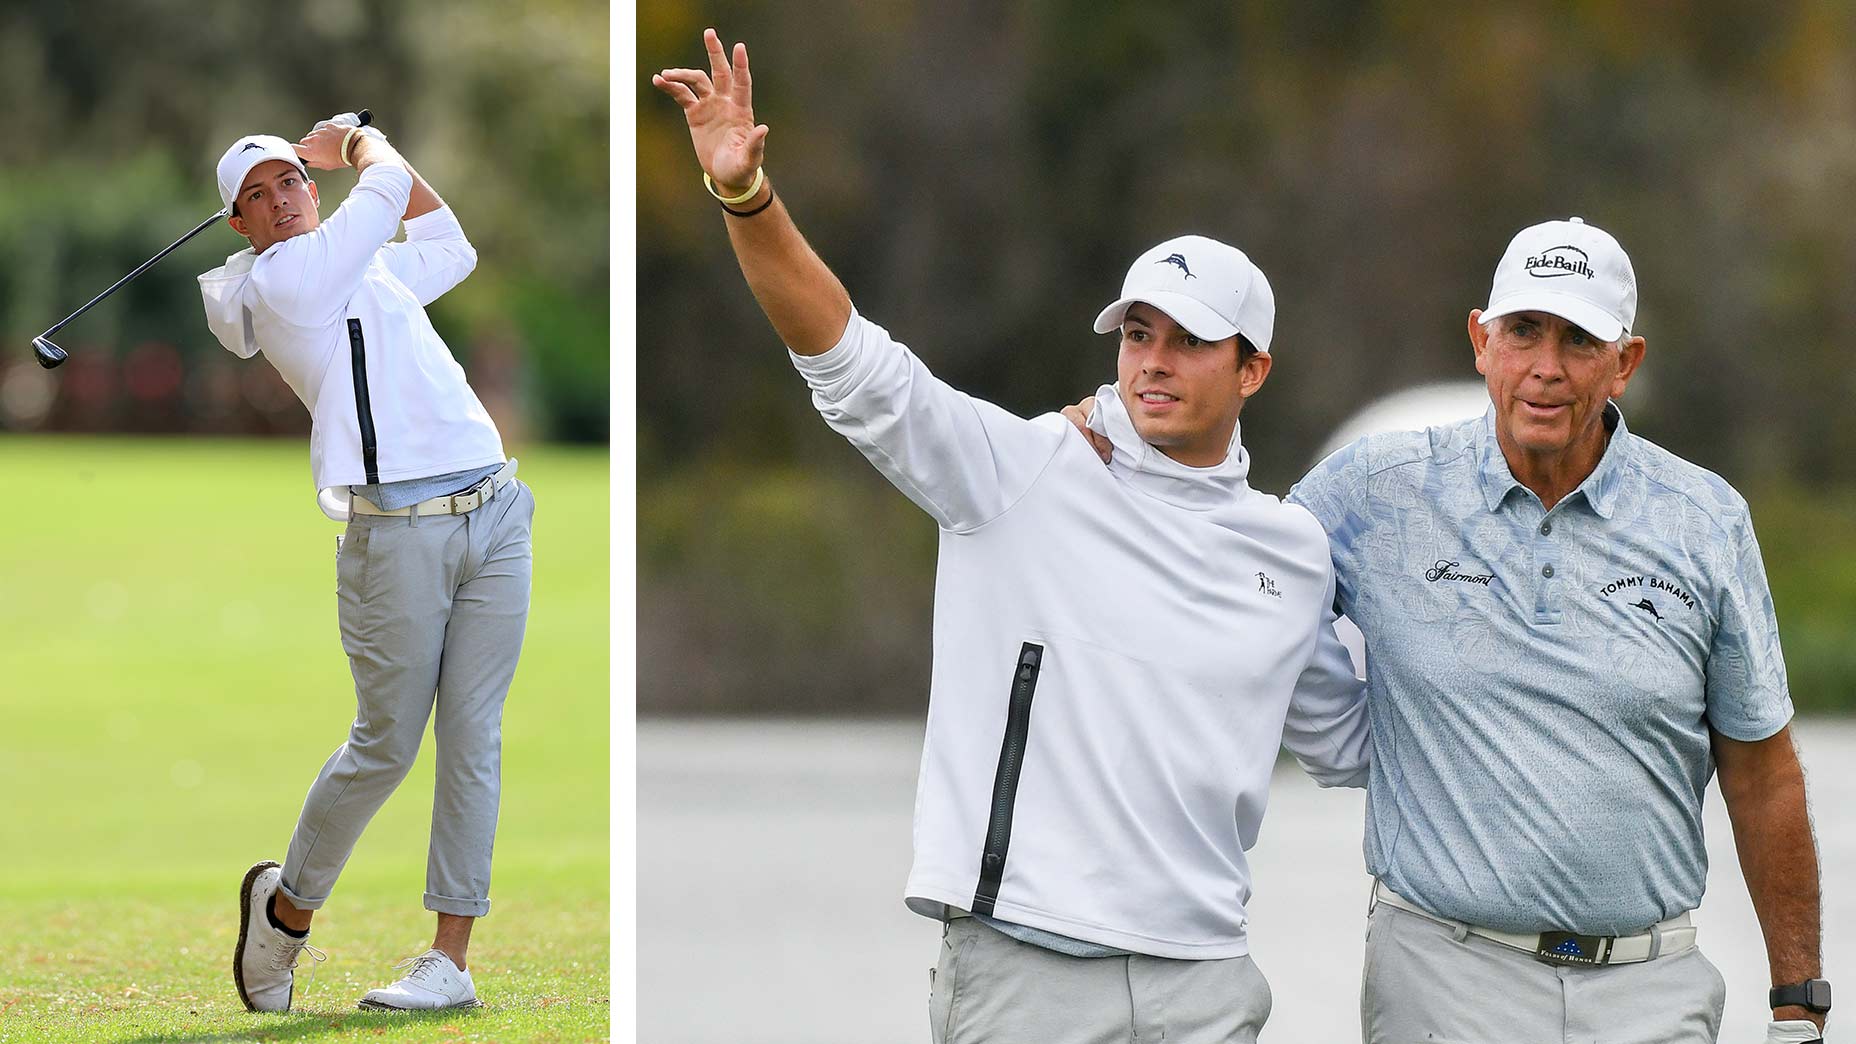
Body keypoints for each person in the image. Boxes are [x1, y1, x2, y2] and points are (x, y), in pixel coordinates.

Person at [654, 28, 1370, 1044]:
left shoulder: (1289, 552)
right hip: (1027, 970)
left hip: (1205, 980)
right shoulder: (1025, 469)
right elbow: (852, 365)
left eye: (1187, 341)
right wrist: (746, 199)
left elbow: (1356, 744)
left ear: (1251, 370)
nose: (1152, 362)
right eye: (1135, 334)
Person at [1065, 217, 1827, 1043]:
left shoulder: (1704, 520)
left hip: (1651, 987)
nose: (1545, 367)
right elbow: (1230, 567)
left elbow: (1762, 772)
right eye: (1524, 332)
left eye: (1578, 341)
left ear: (1625, 363)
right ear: (1481, 340)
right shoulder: (1376, 491)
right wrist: (1113, 457)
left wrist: (1797, 1000)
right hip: (1442, 982)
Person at [198, 113, 535, 1013]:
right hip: (397, 533)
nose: (278, 203)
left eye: (288, 184)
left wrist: (361, 155)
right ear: (240, 226)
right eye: (255, 198)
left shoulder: (361, 266)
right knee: (386, 745)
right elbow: (384, 192)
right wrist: (352, 144)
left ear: (309, 194)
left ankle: (449, 961)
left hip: (496, 509)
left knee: (474, 741)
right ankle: (285, 911)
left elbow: (447, 240)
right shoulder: (284, 283)